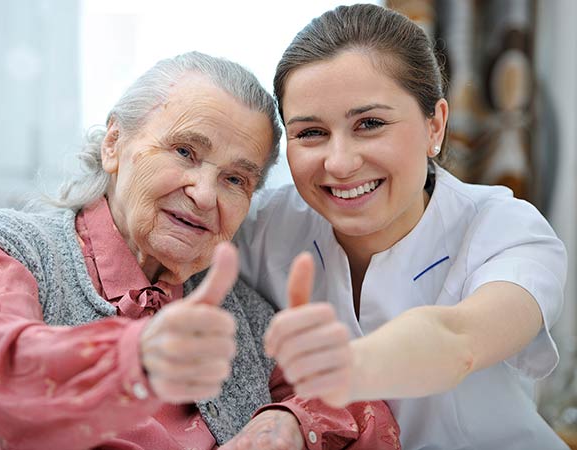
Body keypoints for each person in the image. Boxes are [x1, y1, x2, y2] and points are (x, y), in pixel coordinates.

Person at [0, 52, 401, 450]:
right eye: (185, 152)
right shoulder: (12, 251)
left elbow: (363, 410)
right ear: (113, 144)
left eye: (235, 180)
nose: (203, 195)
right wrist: (137, 356)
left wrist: (286, 424)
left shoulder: (241, 315)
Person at [234, 4, 569, 450]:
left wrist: (342, 371)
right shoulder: (264, 226)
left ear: (435, 125)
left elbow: (459, 340)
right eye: (310, 133)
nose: (339, 162)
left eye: (369, 124)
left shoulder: (505, 229)